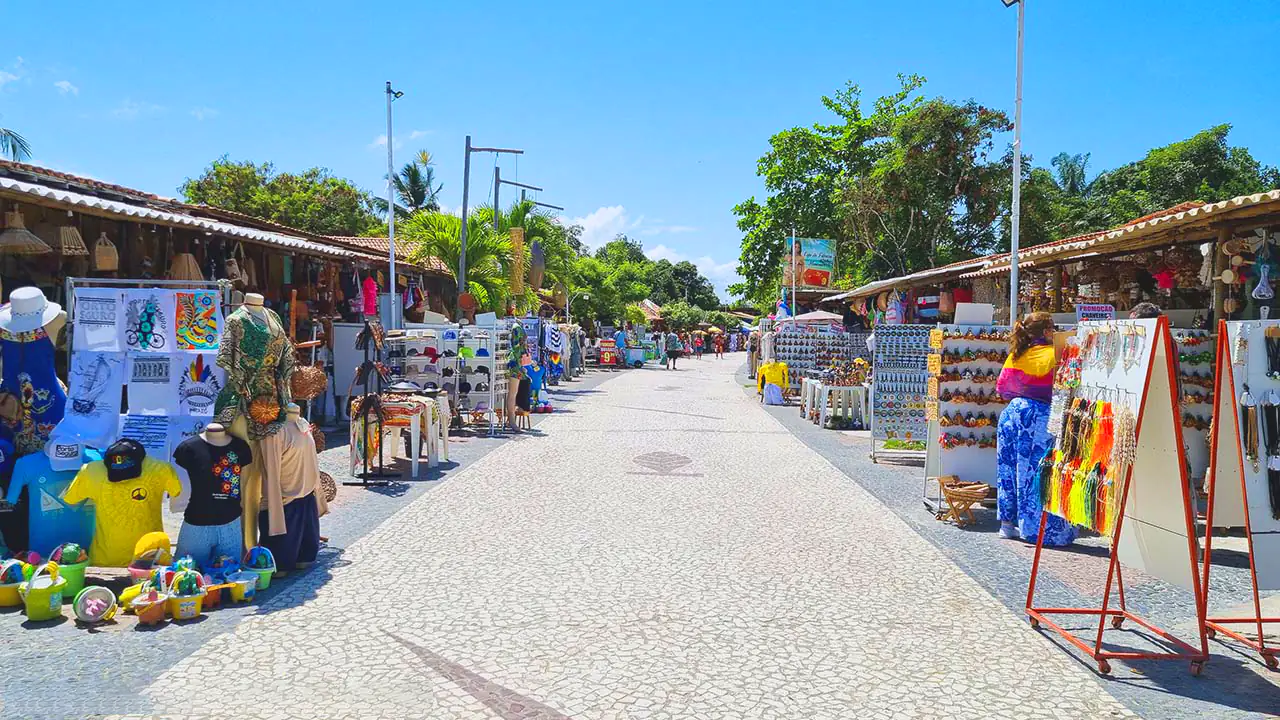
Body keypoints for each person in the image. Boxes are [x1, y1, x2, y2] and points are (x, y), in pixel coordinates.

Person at [994, 312, 1076, 546]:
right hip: (1039, 418)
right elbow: (1064, 389)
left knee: (1008, 470)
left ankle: (1007, 525)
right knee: (1037, 471)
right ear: (1048, 331)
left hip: (1012, 415)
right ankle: (1034, 529)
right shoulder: (1054, 355)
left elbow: (1003, 389)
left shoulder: (1016, 355)